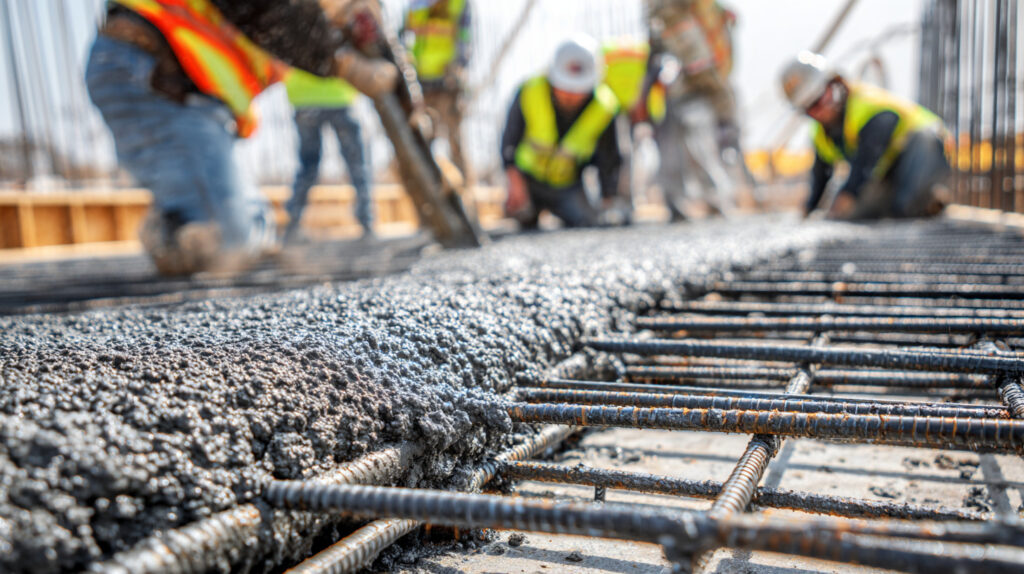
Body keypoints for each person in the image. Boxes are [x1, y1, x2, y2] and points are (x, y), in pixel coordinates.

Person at [86, 0, 396, 275]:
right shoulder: (291, 17)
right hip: (152, 73)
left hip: (177, 88)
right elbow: (267, 13)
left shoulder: (304, 22)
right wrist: (339, 61)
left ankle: (185, 211)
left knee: (247, 232)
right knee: (231, 240)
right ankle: (180, 223)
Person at [781, 51, 952, 220]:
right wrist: (808, 209)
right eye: (809, 108)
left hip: (927, 150)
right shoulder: (821, 134)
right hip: (890, 172)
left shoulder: (866, 105)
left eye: (819, 100)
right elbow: (820, 175)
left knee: (904, 205)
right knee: (857, 214)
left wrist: (848, 195)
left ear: (834, 84)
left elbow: (866, 160)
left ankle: (930, 198)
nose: (819, 111)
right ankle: (914, 204)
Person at [500, 35, 623, 229]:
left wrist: (608, 199)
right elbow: (509, 144)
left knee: (588, 223)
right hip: (528, 182)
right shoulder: (530, 91)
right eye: (565, 88)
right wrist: (515, 183)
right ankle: (527, 210)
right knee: (523, 219)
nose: (571, 95)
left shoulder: (604, 106)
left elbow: (609, 157)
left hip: (568, 186)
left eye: (579, 89)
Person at [647, 0, 740, 221]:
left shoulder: (697, 14)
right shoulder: (671, 16)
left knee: (698, 143)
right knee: (674, 146)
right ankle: (683, 199)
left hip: (697, 85)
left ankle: (713, 198)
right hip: (681, 86)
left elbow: (703, 60)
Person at [283, 69, 374, 242]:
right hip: (338, 94)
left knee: (308, 166)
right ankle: (367, 224)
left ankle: (292, 225)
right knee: (357, 164)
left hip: (304, 97)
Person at [402, 0, 473, 183]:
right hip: (419, 82)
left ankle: (464, 193)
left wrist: (458, 68)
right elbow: (403, 38)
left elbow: (465, 39)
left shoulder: (458, 4)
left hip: (447, 84)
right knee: (420, 142)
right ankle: (425, 187)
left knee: (455, 142)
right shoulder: (416, 5)